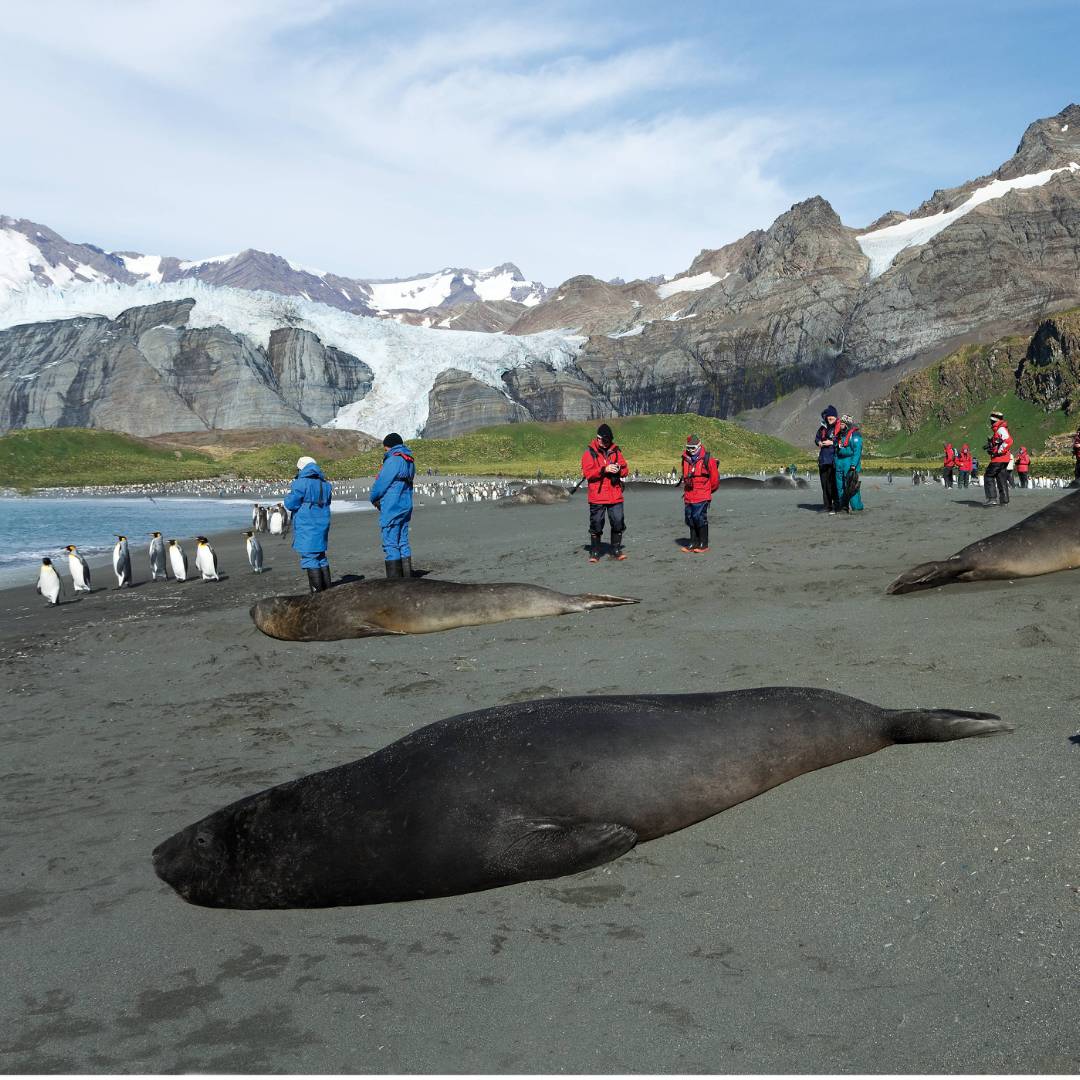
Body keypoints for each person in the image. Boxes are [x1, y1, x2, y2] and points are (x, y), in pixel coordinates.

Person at [283, 455, 333, 592]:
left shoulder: (300, 483)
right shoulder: (326, 484)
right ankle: (329, 591)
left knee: (309, 557)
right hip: (322, 523)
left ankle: (317, 594)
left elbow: (290, 504)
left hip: (307, 524)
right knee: (321, 556)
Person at [370, 432, 416, 577]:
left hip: (392, 506)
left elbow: (381, 483)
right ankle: (407, 579)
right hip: (405, 505)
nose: (386, 451)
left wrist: (373, 498)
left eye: (386, 448)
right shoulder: (409, 461)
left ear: (390, 446)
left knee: (390, 543)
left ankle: (395, 584)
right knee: (403, 541)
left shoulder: (393, 460)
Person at [581, 423, 628, 561]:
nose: (607, 443)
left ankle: (616, 549)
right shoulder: (589, 453)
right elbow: (588, 473)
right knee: (596, 524)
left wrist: (619, 469)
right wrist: (604, 469)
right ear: (598, 438)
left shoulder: (616, 451)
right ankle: (595, 551)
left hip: (615, 494)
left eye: (609, 440)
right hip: (598, 495)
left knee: (618, 522)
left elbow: (626, 470)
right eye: (605, 440)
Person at [679, 435, 720, 554]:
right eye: (688, 447)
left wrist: (707, 491)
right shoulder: (685, 458)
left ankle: (703, 543)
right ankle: (693, 542)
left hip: (702, 495)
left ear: (699, 445)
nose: (690, 450)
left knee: (699, 518)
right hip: (689, 495)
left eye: (693, 447)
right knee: (690, 518)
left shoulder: (708, 459)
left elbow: (715, 480)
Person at [814, 405, 842, 514]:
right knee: (824, 484)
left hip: (833, 460)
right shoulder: (823, 428)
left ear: (836, 417)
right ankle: (827, 506)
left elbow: (842, 441)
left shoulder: (839, 428)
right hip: (823, 460)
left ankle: (836, 505)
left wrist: (832, 442)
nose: (830, 419)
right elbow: (816, 438)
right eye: (828, 418)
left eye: (832, 418)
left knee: (833, 484)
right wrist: (819, 442)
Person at [834, 413, 864, 512]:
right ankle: (843, 506)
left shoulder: (855, 435)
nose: (840, 425)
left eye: (842, 423)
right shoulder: (839, 435)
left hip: (849, 462)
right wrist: (835, 462)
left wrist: (853, 465)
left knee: (851, 486)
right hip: (839, 462)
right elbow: (835, 450)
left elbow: (857, 451)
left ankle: (857, 507)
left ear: (847, 423)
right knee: (840, 487)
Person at [983, 411, 1012, 506]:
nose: (990, 422)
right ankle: (1004, 501)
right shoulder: (999, 429)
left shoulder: (1001, 429)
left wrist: (998, 451)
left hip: (999, 458)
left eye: (991, 420)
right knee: (1001, 478)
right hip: (1004, 459)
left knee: (988, 476)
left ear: (994, 421)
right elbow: (999, 442)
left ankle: (992, 498)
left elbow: (1008, 441)